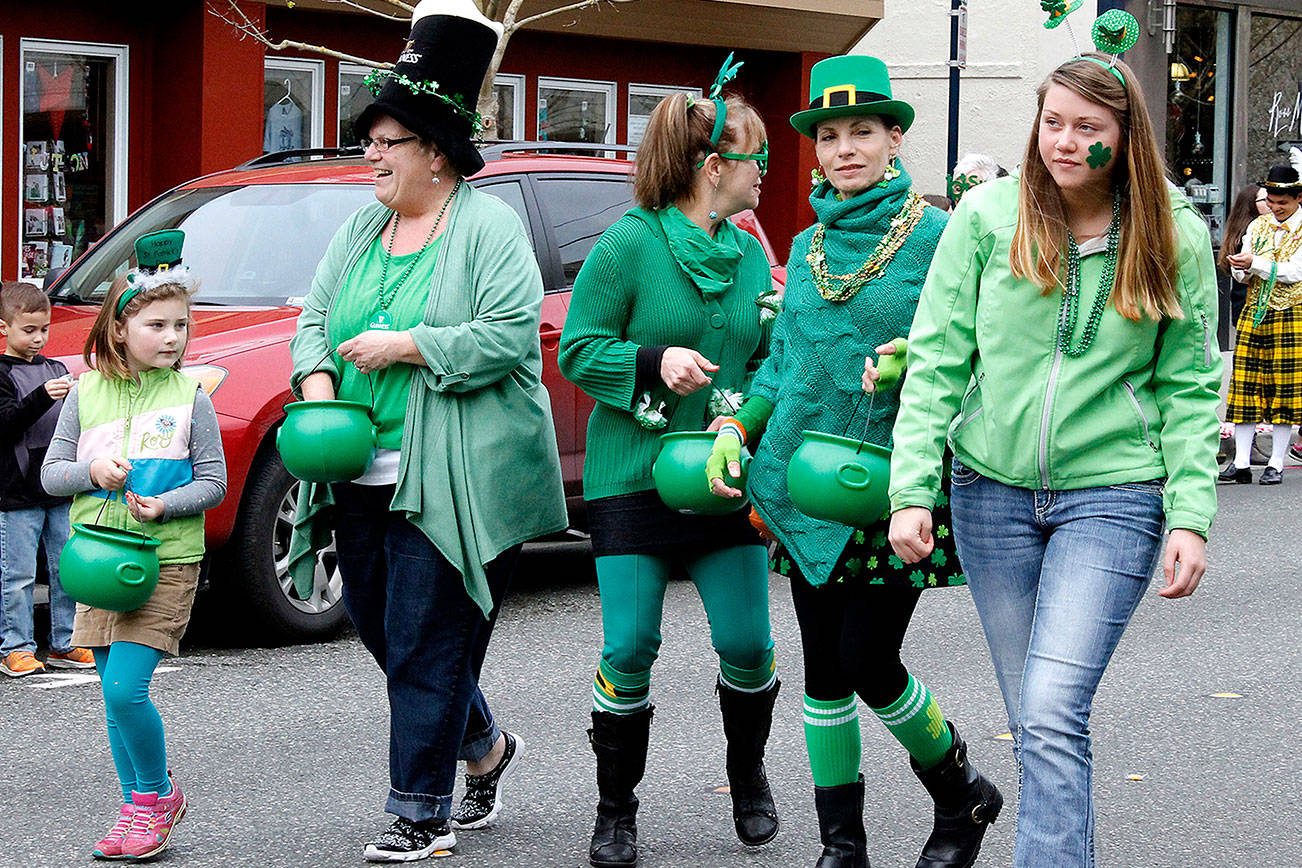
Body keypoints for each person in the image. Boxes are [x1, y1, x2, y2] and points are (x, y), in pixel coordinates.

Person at [887, 28, 1222, 867]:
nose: (1066, 141)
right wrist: (909, 488)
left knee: (1050, 707)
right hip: (990, 492)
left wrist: (1192, 514)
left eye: (1087, 126)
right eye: (1053, 123)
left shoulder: (1172, 236)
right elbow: (935, 357)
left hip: (1114, 495)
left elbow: (1188, 389)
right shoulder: (987, 217)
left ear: (1125, 137)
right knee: (1039, 720)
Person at [706, 55, 1002, 868]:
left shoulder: (943, 236)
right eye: (829, 135)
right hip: (806, 486)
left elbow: (980, 348)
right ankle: (844, 845)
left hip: (892, 483)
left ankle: (959, 790)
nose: (843, 149)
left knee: (868, 660)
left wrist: (915, 361)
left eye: (860, 132)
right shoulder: (804, 246)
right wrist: (741, 428)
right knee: (822, 674)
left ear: (894, 138)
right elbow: (783, 367)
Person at [286, 1, 566, 861]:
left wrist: (410, 345)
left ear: (435, 152)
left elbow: (512, 335)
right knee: (380, 630)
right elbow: (313, 319)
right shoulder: (362, 230)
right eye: (369, 138)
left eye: (386, 140)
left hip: (458, 478)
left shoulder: (487, 228)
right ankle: (482, 747)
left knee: (422, 640)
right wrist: (321, 376)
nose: (369, 153)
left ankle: (420, 812)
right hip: (359, 470)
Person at [558, 58, 781, 868]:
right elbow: (578, 350)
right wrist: (654, 361)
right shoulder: (629, 245)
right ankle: (615, 810)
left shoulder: (751, 252)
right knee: (629, 647)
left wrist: (753, 416)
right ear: (713, 167)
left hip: (722, 473)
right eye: (756, 156)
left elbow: (767, 359)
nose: (766, 171)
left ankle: (748, 775)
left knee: (749, 644)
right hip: (633, 473)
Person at [41, 229, 228, 861]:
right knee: (110, 693)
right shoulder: (85, 393)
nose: (173, 337)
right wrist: (93, 474)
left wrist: (164, 504)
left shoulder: (191, 396)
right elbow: (50, 476)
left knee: (126, 689)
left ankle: (155, 795)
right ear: (121, 327)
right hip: (96, 561)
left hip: (165, 560)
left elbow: (214, 483)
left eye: (180, 325)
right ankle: (136, 808)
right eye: (157, 325)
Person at [0, 280, 92, 677]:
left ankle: (65, 641)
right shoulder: (3, 373)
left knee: (65, 568)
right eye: (29, 330)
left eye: (44, 329)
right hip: (16, 492)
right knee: (17, 574)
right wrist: (40, 396)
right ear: (4, 328)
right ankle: (15, 645)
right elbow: (6, 424)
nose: (38, 338)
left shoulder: (56, 369)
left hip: (58, 486)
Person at [1221, 164, 1302, 485]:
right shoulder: (1258, 226)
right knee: (1245, 387)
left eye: (1282, 202)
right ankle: (1240, 462)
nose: (1275, 207)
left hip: (1290, 313)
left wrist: (1255, 264)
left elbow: (1294, 272)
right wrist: (1240, 266)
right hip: (1255, 311)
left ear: (1298, 198)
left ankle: (1277, 463)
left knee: (1283, 389)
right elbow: (1246, 266)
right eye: (1271, 200)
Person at [1218, 185, 1269, 327]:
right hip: (1249, 305)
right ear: (1251, 204)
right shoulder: (1249, 234)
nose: (1271, 204)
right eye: (1266, 199)